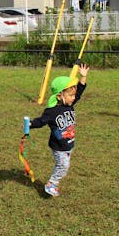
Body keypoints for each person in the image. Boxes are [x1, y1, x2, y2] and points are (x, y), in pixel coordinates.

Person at [29, 64, 89, 197]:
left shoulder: (70, 104)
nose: (73, 98)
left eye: (73, 96)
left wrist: (83, 77)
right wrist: (30, 124)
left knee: (64, 164)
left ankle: (53, 183)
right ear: (59, 96)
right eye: (70, 95)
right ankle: (51, 184)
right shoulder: (51, 112)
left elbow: (79, 92)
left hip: (69, 143)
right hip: (58, 146)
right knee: (63, 166)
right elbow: (41, 121)